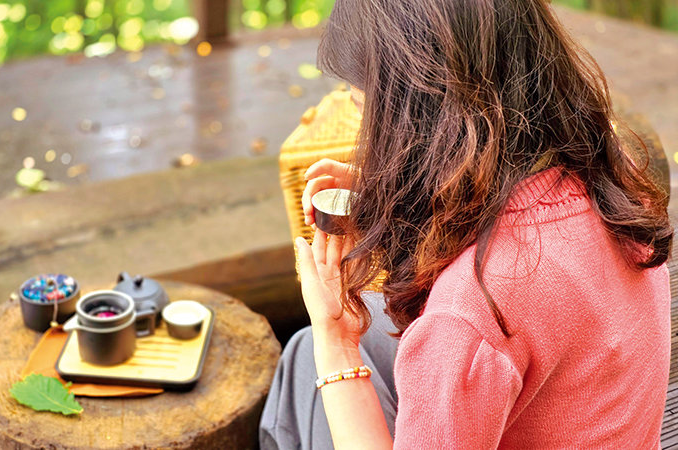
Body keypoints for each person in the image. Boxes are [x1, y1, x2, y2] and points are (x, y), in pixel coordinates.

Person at [259, 0, 673, 448]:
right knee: (308, 349)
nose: (365, 132)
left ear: (417, 117)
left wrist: (335, 339)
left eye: (365, 108)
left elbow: (468, 324)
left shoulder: (471, 311)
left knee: (311, 357)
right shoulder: (609, 169)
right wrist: (394, 192)